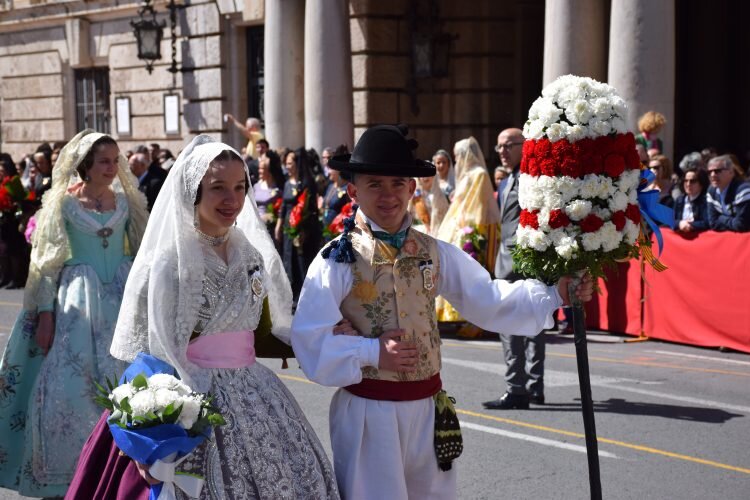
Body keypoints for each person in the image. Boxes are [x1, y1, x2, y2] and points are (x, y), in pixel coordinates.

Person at [291, 124, 593, 500]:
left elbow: (487, 298)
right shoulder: (337, 258)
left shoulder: (434, 252)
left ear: (413, 188)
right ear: (353, 191)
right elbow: (308, 339)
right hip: (370, 413)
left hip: (429, 410)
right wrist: (372, 352)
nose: (388, 195)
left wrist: (554, 293)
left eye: (398, 184)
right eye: (375, 184)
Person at [66, 135, 339, 499]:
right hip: (189, 392)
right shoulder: (170, 261)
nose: (233, 199)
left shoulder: (251, 254)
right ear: (193, 191)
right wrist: (158, 424)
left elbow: (261, 330)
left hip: (254, 390)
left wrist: (330, 330)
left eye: (240, 187)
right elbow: (156, 346)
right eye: (218, 188)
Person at [0, 130, 149, 497]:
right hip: (77, 300)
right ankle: (69, 473)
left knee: (126, 380)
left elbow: (144, 249)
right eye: (104, 161)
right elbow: (46, 263)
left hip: (119, 293)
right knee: (70, 386)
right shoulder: (63, 204)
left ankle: (122, 469)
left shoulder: (126, 202)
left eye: (116, 161)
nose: (112, 168)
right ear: (85, 165)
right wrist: (46, 314)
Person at [486, 127, 547, 409]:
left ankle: (522, 388)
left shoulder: (533, 180)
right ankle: (526, 386)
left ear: (525, 146)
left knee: (527, 326)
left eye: (508, 145)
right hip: (508, 262)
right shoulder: (506, 180)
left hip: (526, 261)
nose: (502, 151)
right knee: (520, 326)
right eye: (499, 146)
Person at [436, 136, 501, 328]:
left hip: (472, 224)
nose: (457, 161)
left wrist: (466, 227)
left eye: (458, 156)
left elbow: (476, 205)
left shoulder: (478, 174)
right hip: (459, 221)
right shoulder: (466, 175)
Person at [276, 148, 322, 300]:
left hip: (302, 229)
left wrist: (305, 230)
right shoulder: (288, 183)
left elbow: (311, 210)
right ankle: (292, 295)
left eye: (290, 163)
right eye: (286, 163)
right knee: (289, 259)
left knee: (302, 262)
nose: (287, 166)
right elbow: (283, 206)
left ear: (297, 164)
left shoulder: (306, 184)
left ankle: (306, 296)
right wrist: (279, 224)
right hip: (288, 228)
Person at [706, 155, 750, 232]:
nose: (712, 175)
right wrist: (732, 221)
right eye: (709, 172)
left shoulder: (743, 190)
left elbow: (741, 225)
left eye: (717, 171)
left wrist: (721, 218)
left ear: (731, 172)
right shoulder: (711, 191)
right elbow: (713, 223)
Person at [253, 149, 284, 237]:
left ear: (269, 171)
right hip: (255, 227)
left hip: (270, 229)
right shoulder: (256, 186)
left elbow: (280, 211)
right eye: (259, 168)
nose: (259, 171)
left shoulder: (278, 190)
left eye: (262, 169)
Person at [674, 167, 710, 234]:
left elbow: (707, 222)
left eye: (692, 181)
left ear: (701, 183)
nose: (688, 184)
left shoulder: (707, 200)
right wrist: (679, 223)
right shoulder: (679, 200)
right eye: (686, 181)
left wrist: (690, 225)